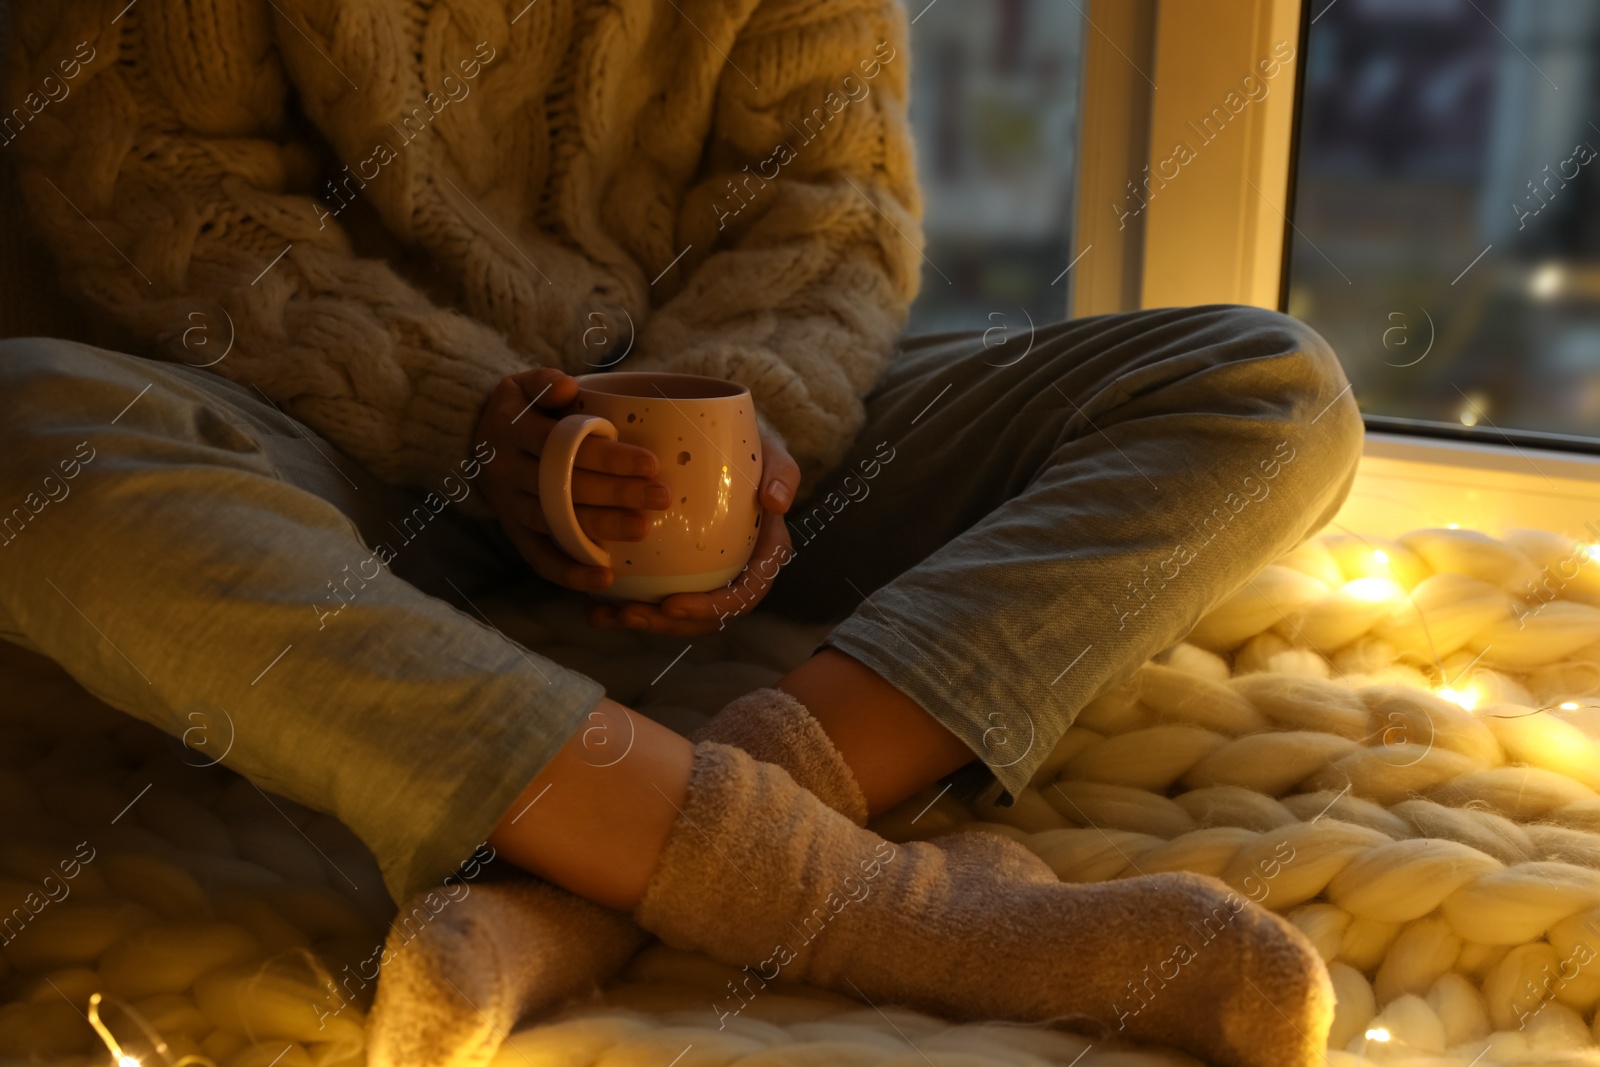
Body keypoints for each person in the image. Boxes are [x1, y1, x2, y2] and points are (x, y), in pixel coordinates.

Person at [0, 2, 1363, 1066]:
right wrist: (470, 427)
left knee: (1268, 388)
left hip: (725, 445)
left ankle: (594, 878)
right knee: (25, 432)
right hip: (353, 463)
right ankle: (873, 908)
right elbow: (167, 208)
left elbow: (829, 211)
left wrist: (746, 435)